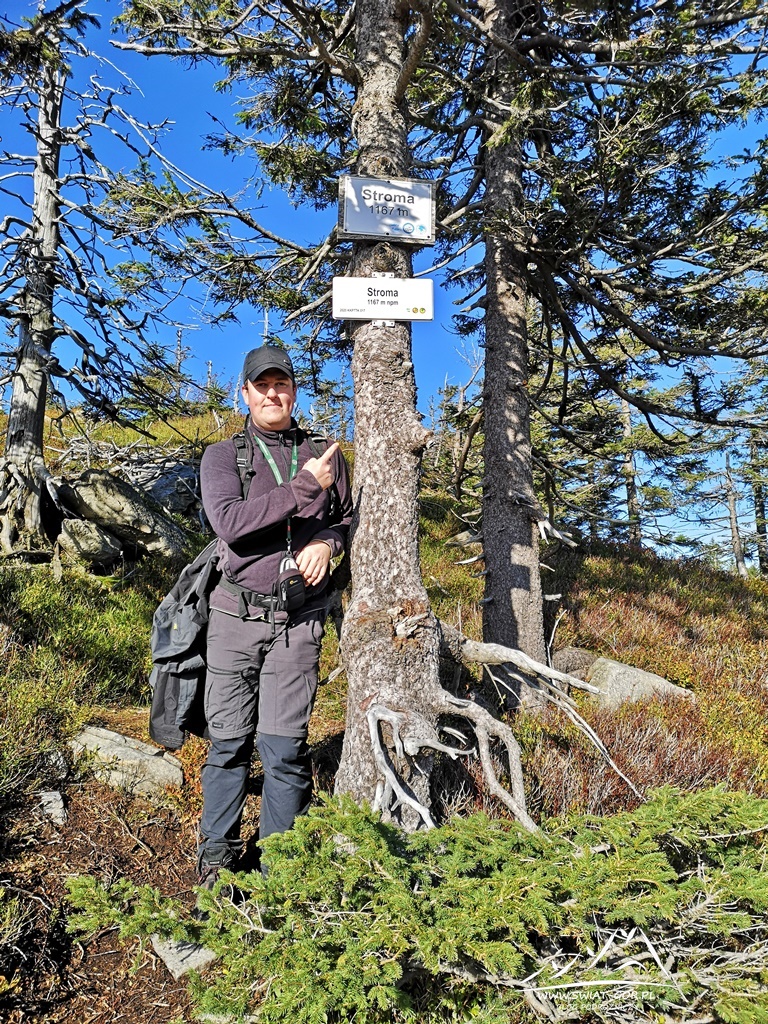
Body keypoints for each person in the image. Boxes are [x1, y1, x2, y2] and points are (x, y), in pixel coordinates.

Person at [197, 344, 352, 886]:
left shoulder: (325, 453)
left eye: (280, 384)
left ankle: (275, 875)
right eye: (261, 386)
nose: (271, 394)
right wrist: (306, 486)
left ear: (293, 390)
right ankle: (216, 868)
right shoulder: (222, 456)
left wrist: (329, 544)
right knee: (228, 746)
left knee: (284, 750)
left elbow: (346, 518)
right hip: (234, 618)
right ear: (245, 393)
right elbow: (231, 523)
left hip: (298, 622)